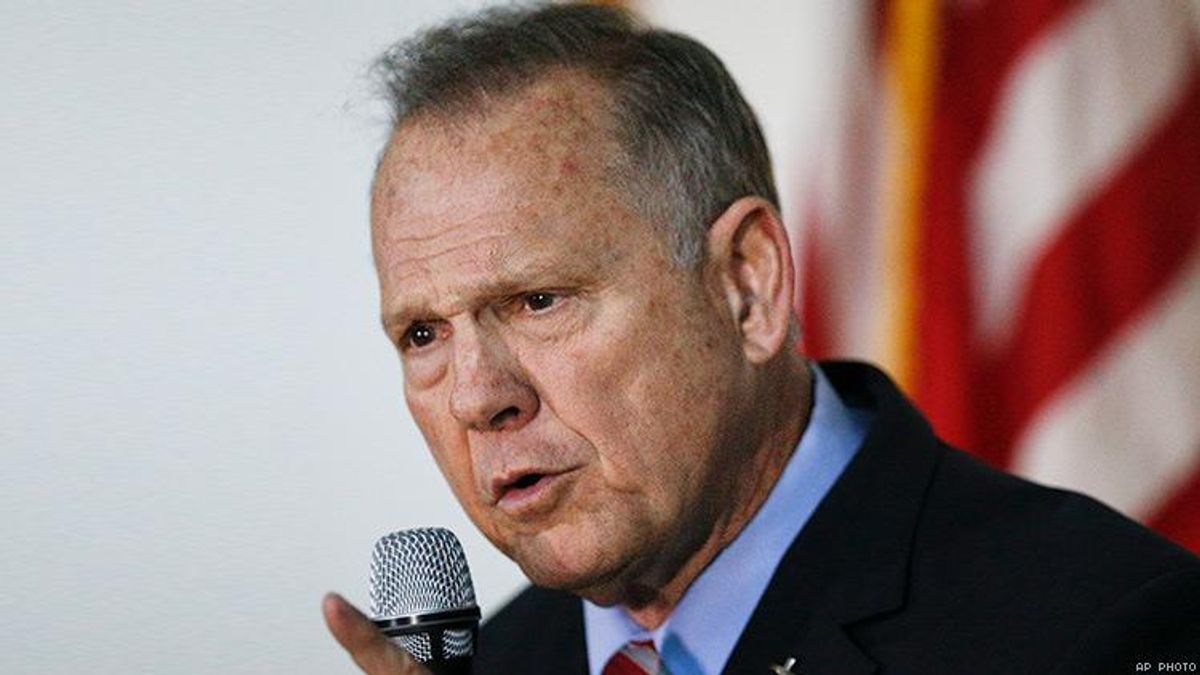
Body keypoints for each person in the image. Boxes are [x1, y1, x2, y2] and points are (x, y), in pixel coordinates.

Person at [321, 4, 1200, 673]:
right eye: (423, 332)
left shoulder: (1104, 628)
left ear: (748, 285)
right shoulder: (503, 661)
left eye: (538, 300)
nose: (478, 395)